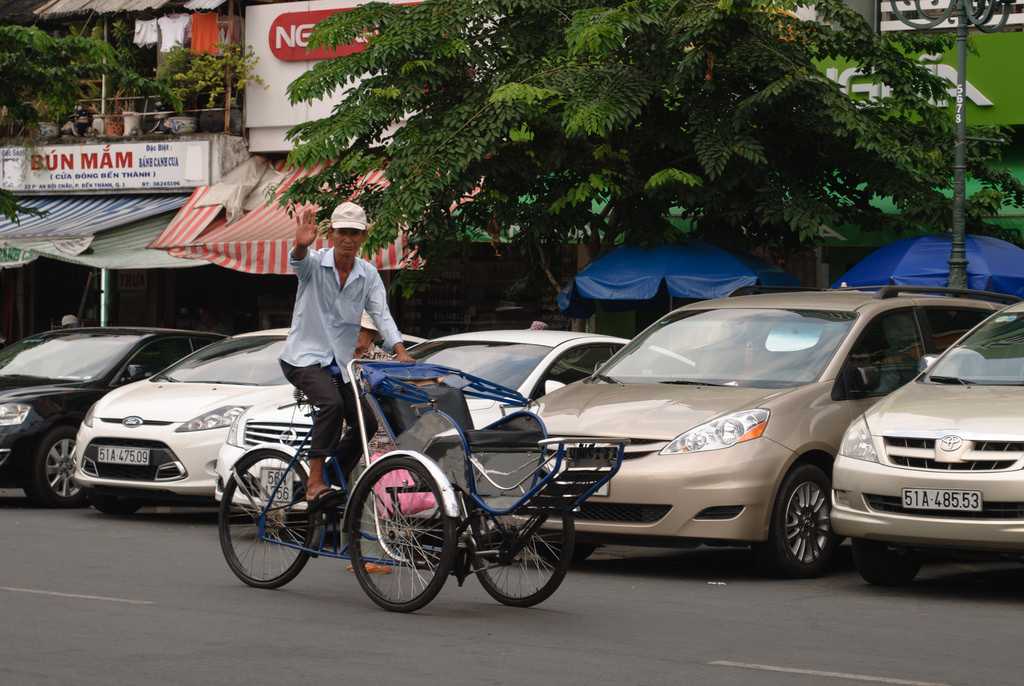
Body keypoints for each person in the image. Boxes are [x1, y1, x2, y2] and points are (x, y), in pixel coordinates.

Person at [279, 202, 415, 506]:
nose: (348, 239)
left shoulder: (367, 275)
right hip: (303, 358)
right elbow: (298, 262)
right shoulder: (315, 264)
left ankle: (330, 478)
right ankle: (314, 483)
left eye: (355, 233)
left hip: (338, 365)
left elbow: (381, 314)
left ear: (363, 236)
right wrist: (300, 246)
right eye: (342, 232)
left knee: (367, 422)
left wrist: (400, 350)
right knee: (331, 404)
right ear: (331, 234)